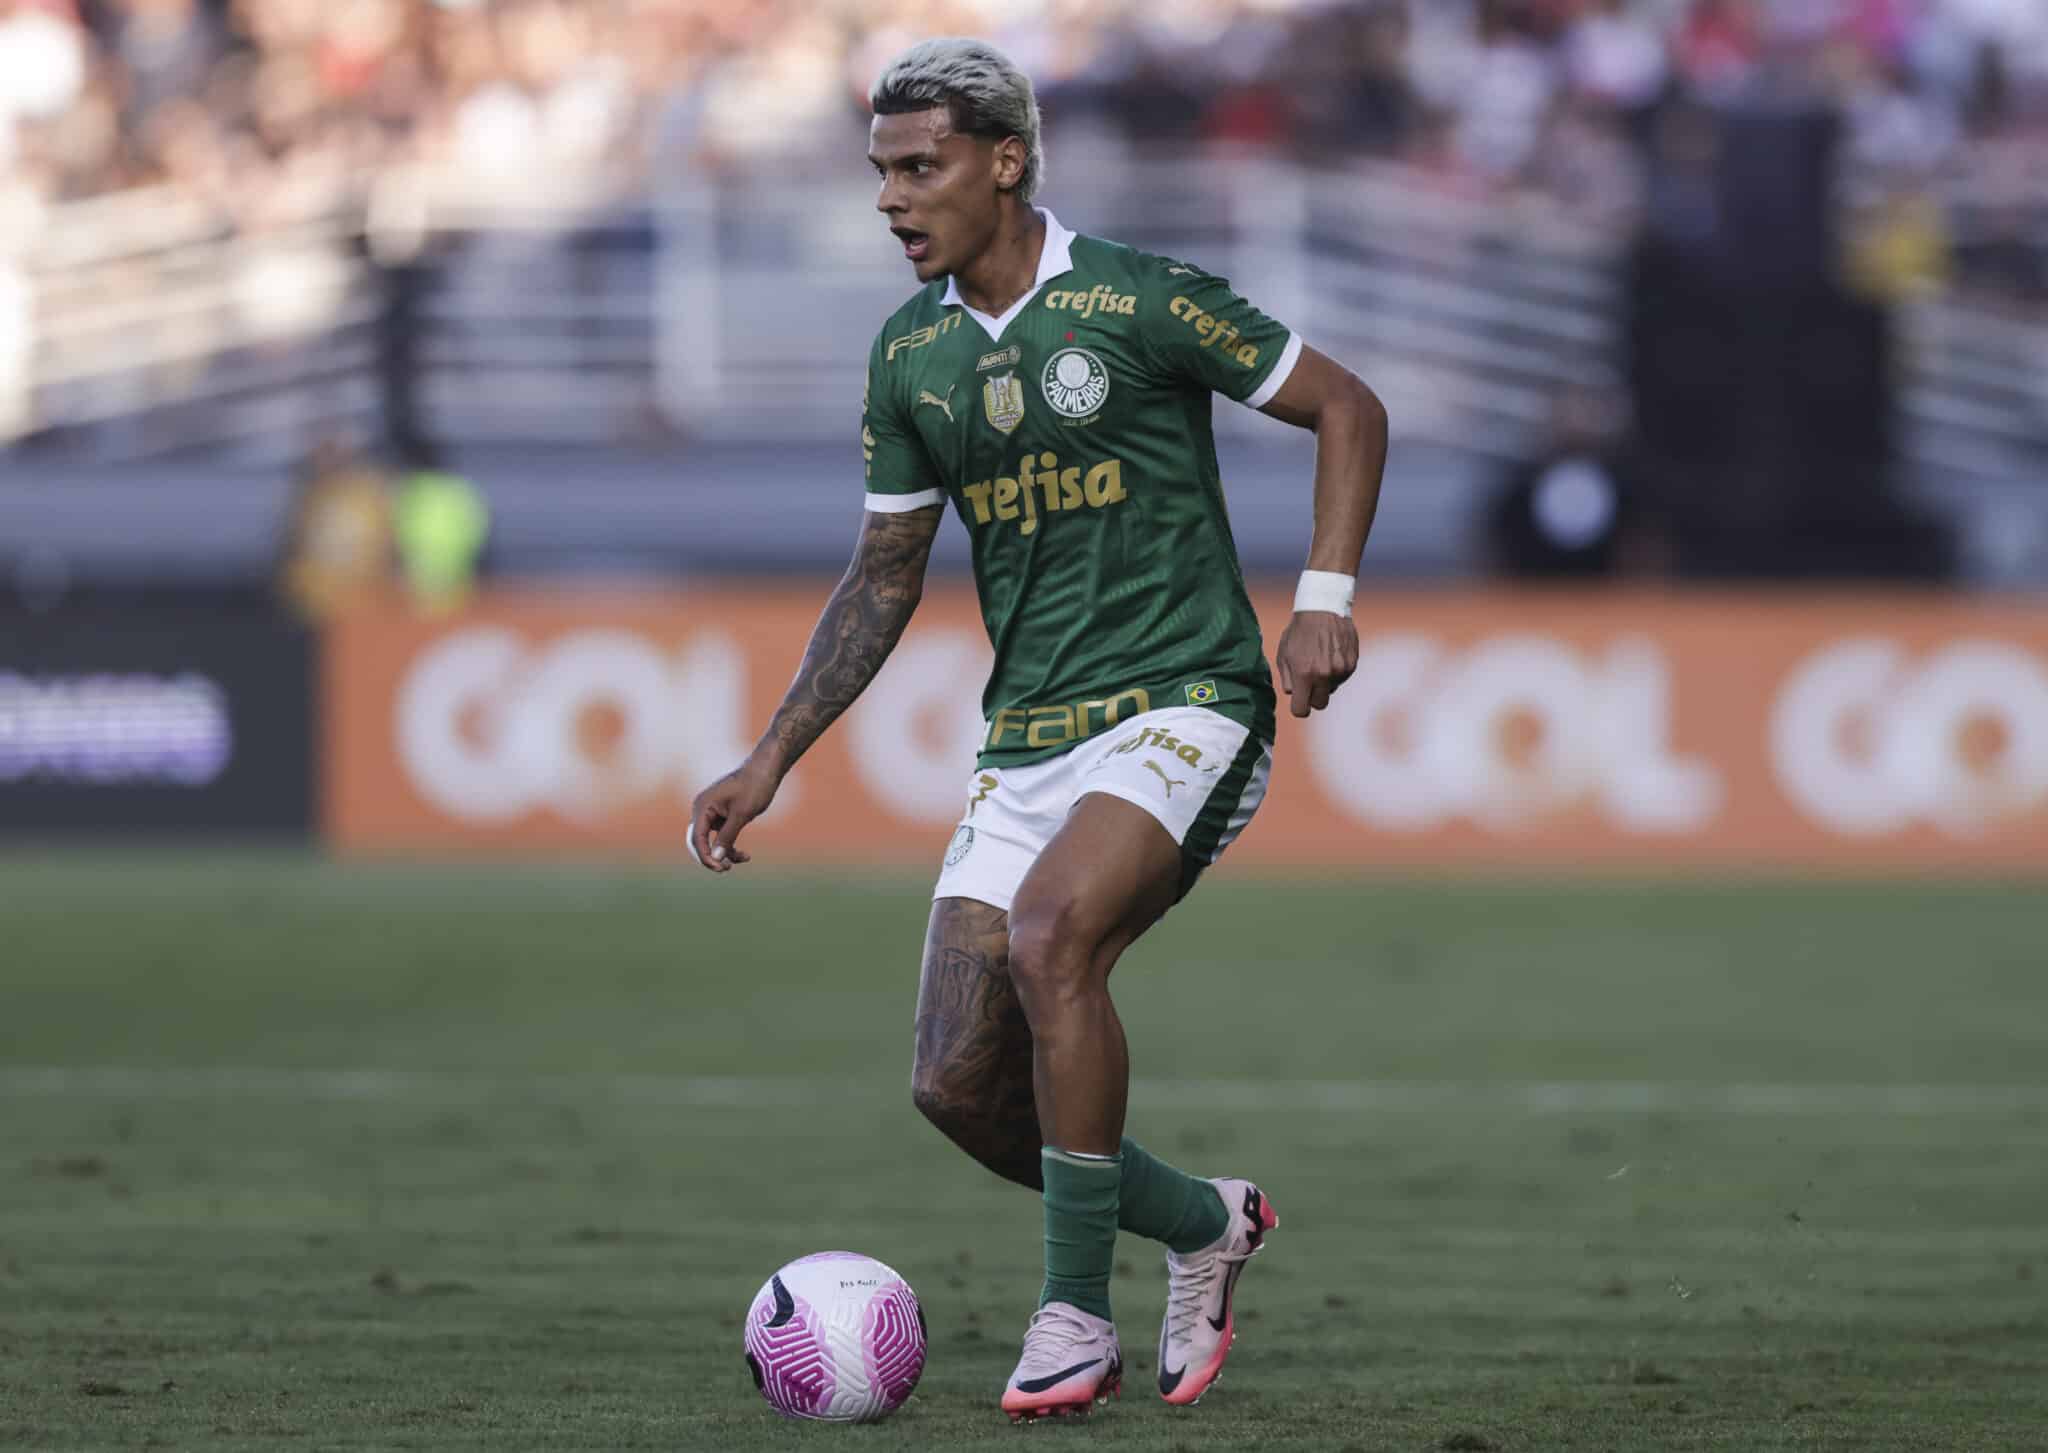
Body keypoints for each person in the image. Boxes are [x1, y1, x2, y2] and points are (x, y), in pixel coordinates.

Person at [687, 37, 1388, 1423]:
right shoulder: (913, 357)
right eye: (880, 170)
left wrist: (1321, 602)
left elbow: (1346, 407)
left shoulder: (1138, 299)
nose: (892, 198)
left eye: (919, 166)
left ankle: (1074, 1318)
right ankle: (1201, 1219)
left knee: (1051, 935)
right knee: (955, 1082)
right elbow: (884, 576)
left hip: (1185, 696)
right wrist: (771, 756)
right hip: (1030, 739)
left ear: (1005, 161)